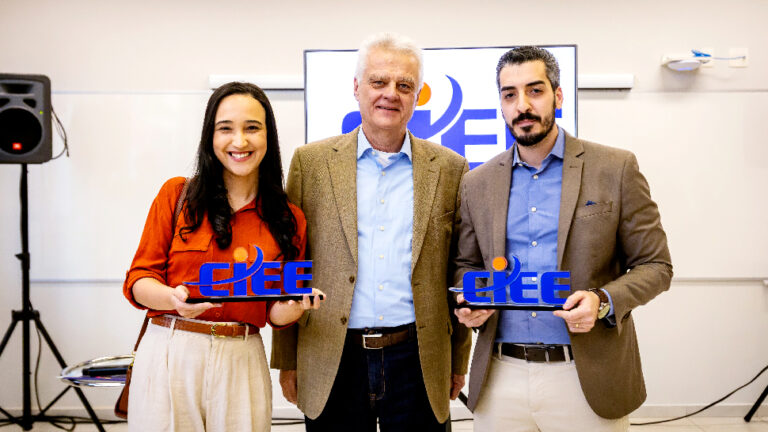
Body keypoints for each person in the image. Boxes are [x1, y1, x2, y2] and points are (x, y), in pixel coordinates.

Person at [453, 46, 673, 431]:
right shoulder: (477, 182)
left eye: (534, 91)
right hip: (500, 378)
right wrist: (470, 301)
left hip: (586, 376)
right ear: (501, 104)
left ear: (557, 96)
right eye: (510, 95)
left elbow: (656, 265)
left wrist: (602, 301)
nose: (522, 105)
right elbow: (467, 265)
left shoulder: (615, 168)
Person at [271, 33, 472, 431]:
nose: (390, 94)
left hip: (418, 356)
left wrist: (457, 358)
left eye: (404, 85)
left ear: (417, 95)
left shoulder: (450, 169)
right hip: (332, 354)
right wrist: (288, 359)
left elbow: (456, 269)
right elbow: (289, 262)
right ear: (357, 88)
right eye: (379, 82)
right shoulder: (311, 164)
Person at [122, 82, 323, 432]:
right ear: (210, 137)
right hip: (170, 351)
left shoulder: (289, 218)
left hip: (241, 355)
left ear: (268, 136)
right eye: (226, 128)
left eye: (252, 128)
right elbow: (138, 281)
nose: (240, 142)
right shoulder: (177, 195)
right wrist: (173, 298)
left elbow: (274, 311)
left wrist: (297, 305)